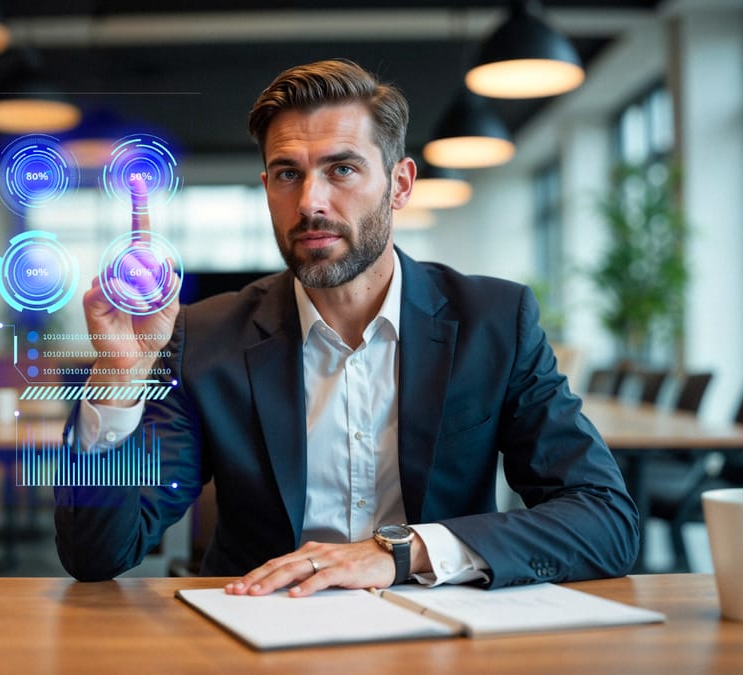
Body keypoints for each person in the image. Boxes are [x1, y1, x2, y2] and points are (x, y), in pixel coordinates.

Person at [55, 59, 638, 596]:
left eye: (342, 169)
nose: (311, 200)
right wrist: (117, 376)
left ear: (401, 184)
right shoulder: (206, 335)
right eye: (288, 173)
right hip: (258, 631)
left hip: (443, 631)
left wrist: (401, 553)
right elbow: (96, 554)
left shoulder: (494, 322)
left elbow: (604, 519)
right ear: (267, 191)